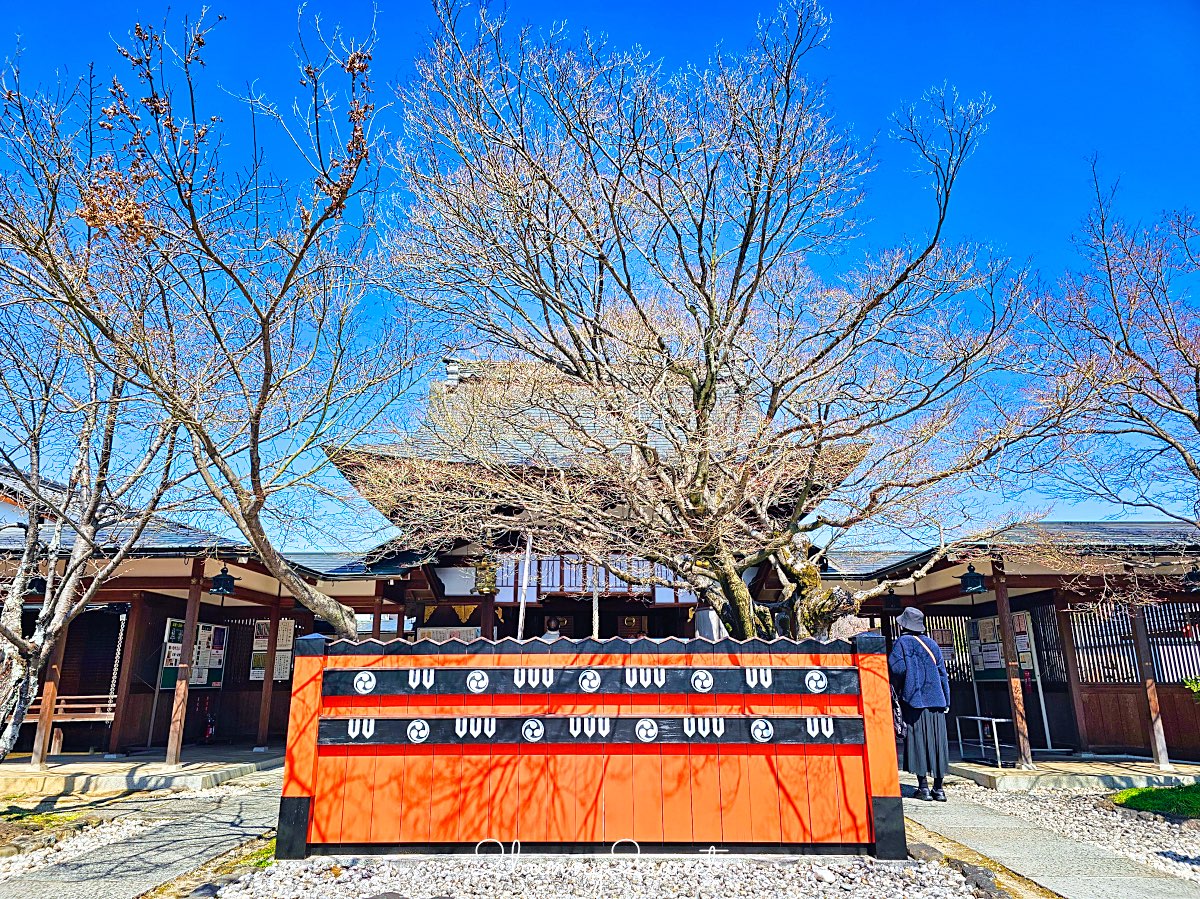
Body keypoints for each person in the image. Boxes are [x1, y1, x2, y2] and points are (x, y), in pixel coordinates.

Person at [888, 606, 951, 802]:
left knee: (917, 743)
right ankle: (939, 789)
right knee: (938, 743)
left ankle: (923, 787)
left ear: (903, 625)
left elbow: (896, 669)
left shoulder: (902, 644)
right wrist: (946, 700)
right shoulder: (932, 644)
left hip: (913, 701)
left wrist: (897, 690)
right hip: (937, 701)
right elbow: (943, 675)